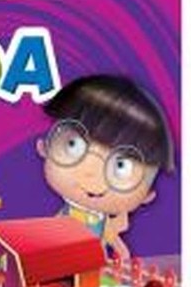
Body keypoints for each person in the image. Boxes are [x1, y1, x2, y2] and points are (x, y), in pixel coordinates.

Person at [36, 75, 174, 259]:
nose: (91, 175)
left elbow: (112, 238)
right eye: (73, 145)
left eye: (121, 166)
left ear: (147, 194)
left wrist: (122, 256)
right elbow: (52, 233)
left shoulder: (104, 223)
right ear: (44, 147)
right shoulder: (66, 216)